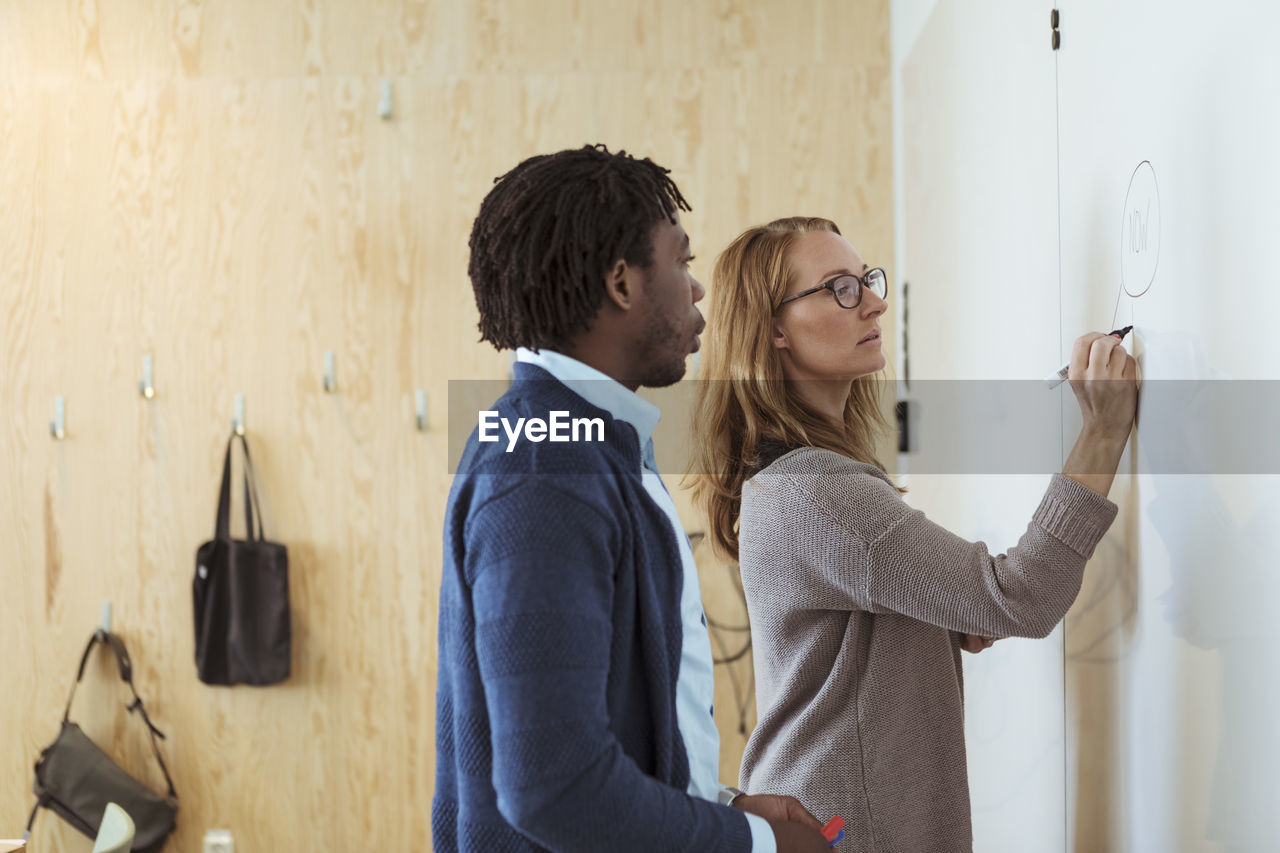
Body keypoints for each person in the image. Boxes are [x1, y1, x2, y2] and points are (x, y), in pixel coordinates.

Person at [689, 216, 1137, 851]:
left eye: (867, 280)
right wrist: (1102, 431)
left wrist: (933, 620)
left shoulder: (791, 482)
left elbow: (858, 629)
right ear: (773, 330)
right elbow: (1021, 597)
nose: (873, 301)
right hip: (845, 830)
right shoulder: (819, 489)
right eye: (839, 288)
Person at [433, 148, 832, 853]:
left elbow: (612, 733)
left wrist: (722, 802)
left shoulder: (583, 442)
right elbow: (555, 789)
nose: (697, 289)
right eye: (681, 261)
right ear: (622, 282)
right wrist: (755, 843)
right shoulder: (543, 466)